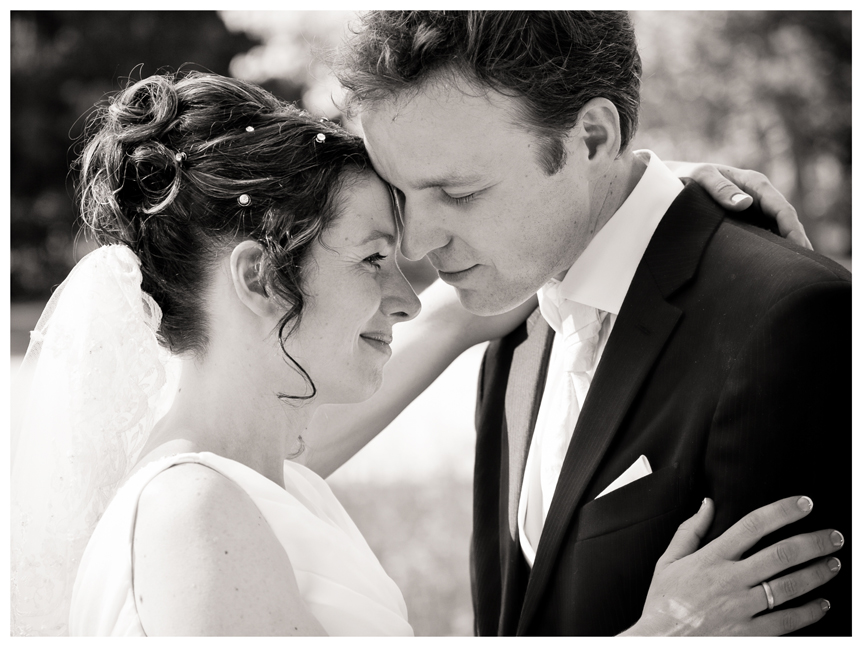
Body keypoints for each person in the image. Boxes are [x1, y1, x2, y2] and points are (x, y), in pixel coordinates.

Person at [9, 70, 840, 637]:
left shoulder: (265, 480)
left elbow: (463, 302)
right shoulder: (194, 518)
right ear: (259, 276)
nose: (410, 295)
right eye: (375, 257)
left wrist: (620, 195)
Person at [330, 10, 851, 636]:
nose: (415, 243)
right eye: (399, 193)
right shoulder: (513, 326)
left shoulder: (788, 321)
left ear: (594, 138)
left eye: (460, 193)